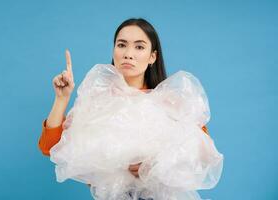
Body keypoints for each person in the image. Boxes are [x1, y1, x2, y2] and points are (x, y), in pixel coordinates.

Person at [38, 18, 220, 200]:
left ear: (152, 57)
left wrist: (154, 166)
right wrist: (62, 98)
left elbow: (203, 154)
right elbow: (52, 148)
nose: (128, 54)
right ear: (114, 50)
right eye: (122, 45)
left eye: (139, 47)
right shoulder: (98, 101)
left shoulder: (170, 101)